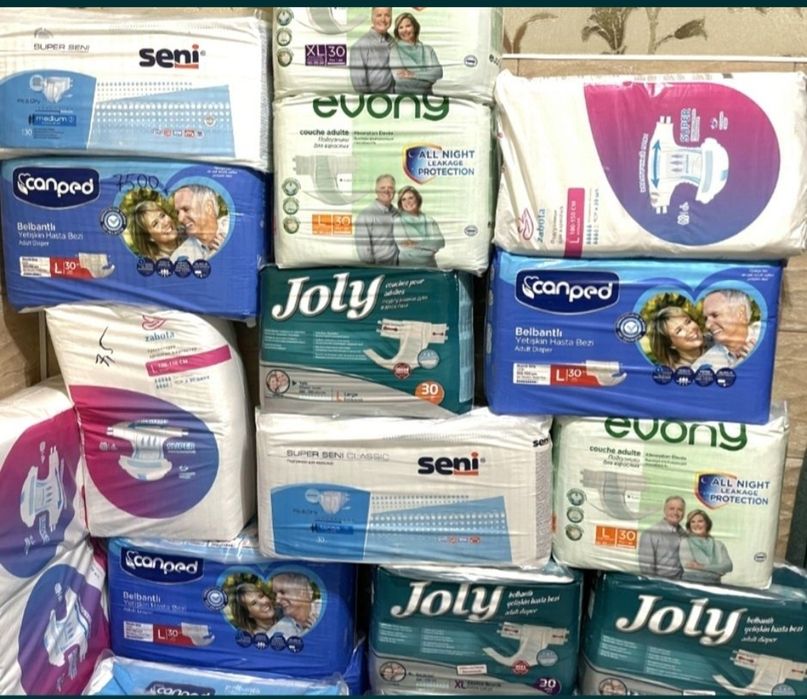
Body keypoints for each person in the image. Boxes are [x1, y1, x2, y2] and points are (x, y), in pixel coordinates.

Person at [692, 289, 760, 371]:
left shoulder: (769, 339)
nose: (707, 325)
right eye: (706, 318)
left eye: (715, 315)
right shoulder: (700, 367)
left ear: (740, 313)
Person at [170, 185, 230, 264]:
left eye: (186, 209)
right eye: (178, 212)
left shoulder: (236, 229)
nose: (180, 219)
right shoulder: (178, 258)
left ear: (208, 207)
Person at [388, 12, 443, 95]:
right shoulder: (395, 50)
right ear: (397, 31)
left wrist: (413, 74)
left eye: (408, 26)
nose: (404, 30)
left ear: (415, 27)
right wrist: (427, 78)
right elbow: (400, 79)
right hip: (405, 98)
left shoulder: (428, 49)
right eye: (401, 27)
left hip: (427, 98)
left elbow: (438, 73)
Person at [393, 186, 445, 268]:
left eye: (411, 198)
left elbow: (440, 242)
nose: (407, 202)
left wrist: (416, 243)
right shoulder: (398, 221)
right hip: (408, 267)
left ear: (417, 199)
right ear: (400, 203)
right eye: (403, 199)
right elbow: (405, 248)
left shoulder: (429, 220)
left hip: (431, 266)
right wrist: (430, 249)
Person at [679, 509, 733, 584]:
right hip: (691, 582)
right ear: (689, 526)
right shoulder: (685, 542)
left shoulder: (719, 544)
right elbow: (688, 565)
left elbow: (728, 566)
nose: (696, 525)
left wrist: (701, 566)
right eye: (693, 522)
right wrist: (717, 569)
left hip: (715, 584)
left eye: (700, 521)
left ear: (707, 524)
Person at [638, 495, 686, 579]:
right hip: (660, 583)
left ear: (683, 513)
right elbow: (646, 569)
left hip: (680, 583)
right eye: (671, 509)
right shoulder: (650, 533)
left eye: (679, 510)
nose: (675, 512)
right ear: (665, 510)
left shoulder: (683, 533)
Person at [355, 174, 399, 266]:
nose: (386, 191)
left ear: (394, 191)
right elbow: (364, 253)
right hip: (380, 269)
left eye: (390, 188)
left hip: (399, 268)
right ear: (376, 191)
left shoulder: (397, 213)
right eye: (382, 188)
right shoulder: (366, 215)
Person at [348, 7, 394, 94]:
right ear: (372, 18)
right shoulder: (360, 46)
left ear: (391, 18)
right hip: (375, 99)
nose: (383, 19)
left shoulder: (394, 42)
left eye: (387, 15)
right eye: (379, 15)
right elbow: (360, 87)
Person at [268, 573, 320, 637]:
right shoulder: (277, 632)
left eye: (282, 592)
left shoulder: (328, 611)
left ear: (302, 591)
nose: (277, 600)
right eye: (275, 594)